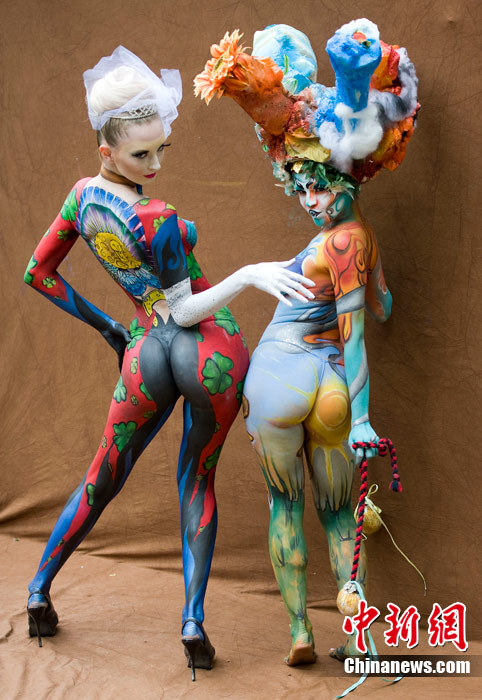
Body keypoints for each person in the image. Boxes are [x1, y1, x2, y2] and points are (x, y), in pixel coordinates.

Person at [24, 45, 315, 679]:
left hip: (145, 348)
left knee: (103, 473)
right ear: (106, 150)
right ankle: (192, 621)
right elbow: (186, 310)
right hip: (207, 350)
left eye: (162, 150)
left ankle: (38, 589)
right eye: (141, 155)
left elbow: (38, 273)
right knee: (197, 481)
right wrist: (247, 274)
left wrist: (110, 327)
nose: (155, 165)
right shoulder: (157, 217)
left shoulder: (81, 200)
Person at [194, 20, 418, 664]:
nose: (312, 200)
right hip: (327, 386)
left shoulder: (337, 243)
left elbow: (354, 332)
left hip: (281, 374)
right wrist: (372, 274)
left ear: (348, 176)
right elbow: (382, 308)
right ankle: (357, 635)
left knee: (285, 504)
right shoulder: (360, 240)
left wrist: (366, 418)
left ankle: (301, 631)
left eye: (322, 185)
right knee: (339, 514)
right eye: (304, 187)